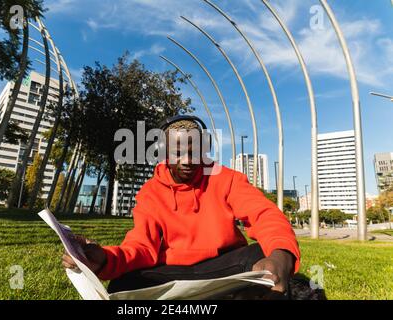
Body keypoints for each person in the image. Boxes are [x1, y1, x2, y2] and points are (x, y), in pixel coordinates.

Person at [62, 115, 300, 299]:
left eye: (193, 151)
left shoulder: (226, 178)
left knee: (262, 253)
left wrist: (281, 256)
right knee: (124, 284)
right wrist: (104, 258)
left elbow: (264, 214)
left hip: (224, 267)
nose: (187, 160)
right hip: (172, 271)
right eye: (177, 152)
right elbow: (142, 247)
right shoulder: (150, 192)